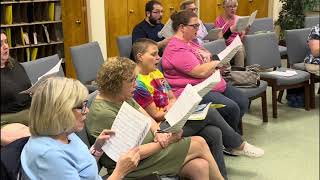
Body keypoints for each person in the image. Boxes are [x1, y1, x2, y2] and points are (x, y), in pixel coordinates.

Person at [132, 38, 264, 178]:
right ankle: (237, 145)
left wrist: (175, 107)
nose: (158, 58)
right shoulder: (138, 83)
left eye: (158, 53)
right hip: (160, 129)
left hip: (172, 117)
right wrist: (174, 110)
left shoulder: (156, 73)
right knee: (210, 112)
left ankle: (222, 176)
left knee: (214, 132)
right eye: (153, 55)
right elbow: (155, 115)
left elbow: (171, 98)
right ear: (140, 57)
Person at [86, 57, 224, 180]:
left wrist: (158, 132)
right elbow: (129, 155)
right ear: (116, 83)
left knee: (200, 166)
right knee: (199, 143)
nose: (136, 84)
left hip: (148, 151)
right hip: (133, 166)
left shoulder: (119, 96)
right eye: (131, 80)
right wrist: (168, 141)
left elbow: (144, 115)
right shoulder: (103, 114)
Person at [20, 77, 140, 180]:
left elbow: (82, 169)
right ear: (59, 111)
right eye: (81, 106)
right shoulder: (48, 155)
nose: (86, 110)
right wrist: (120, 172)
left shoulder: (65, 133)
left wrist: (97, 149)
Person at [162, 10, 249, 136]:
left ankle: (231, 134)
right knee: (231, 108)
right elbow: (199, 72)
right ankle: (231, 140)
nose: (198, 29)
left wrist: (218, 65)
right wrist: (217, 63)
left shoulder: (190, 41)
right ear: (182, 27)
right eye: (195, 26)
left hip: (212, 83)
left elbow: (207, 60)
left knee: (242, 100)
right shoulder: (176, 48)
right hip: (195, 90)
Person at [1, 31, 31, 146]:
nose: (5, 46)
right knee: (31, 136)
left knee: (62, 121)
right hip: (8, 120)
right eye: (0, 44)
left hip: (29, 111)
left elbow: (27, 85)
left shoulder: (13, 63)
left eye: (6, 42)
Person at [214, 0, 248, 67]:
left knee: (239, 49)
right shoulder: (218, 20)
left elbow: (242, 37)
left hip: (237, 44)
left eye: (235, 6)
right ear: (224, 7)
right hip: (224, 46)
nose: (233, 9)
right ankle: (231, 74)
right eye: (230, 6)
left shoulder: (238, 19)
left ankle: (240, 74)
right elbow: (219, 39)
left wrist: (244, 31)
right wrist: (230, 30)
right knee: (238, 49)